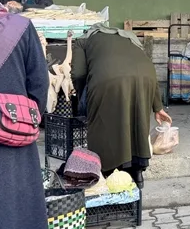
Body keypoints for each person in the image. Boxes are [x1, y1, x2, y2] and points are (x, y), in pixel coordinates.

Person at [0, 0, 59, 229]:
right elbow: (38, 81)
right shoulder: (19, 27)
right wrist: (30, 116)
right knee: (19, 195)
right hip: (11, 130)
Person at [71, 24, 172, 188]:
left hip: (108, 79)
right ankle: (137, 172)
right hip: (146, 76)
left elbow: (78, 73)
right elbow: (144, 66)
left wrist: (84, 97)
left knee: (102, 127)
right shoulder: (128, 37)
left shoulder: (83, 41)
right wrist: (157, 106)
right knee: (137, 121)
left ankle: (109, 173)